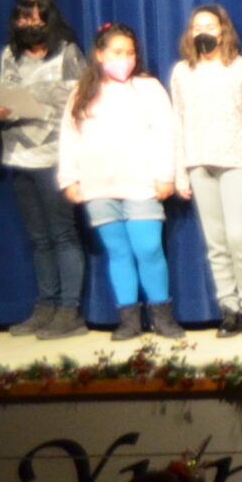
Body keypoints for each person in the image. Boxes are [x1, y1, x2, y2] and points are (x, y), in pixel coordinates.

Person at [57, 23, 182, 342]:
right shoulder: (82, 92)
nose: (124, 58)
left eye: (130, 53)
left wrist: (165, 175)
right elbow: (69, 137)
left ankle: (162, 316)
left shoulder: (148, 87)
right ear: (100, 54)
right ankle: (129, 319)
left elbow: (166, 133)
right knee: (118, 252)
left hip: (141, 184)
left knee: (148, 248)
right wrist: (70, 178)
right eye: (116, 52)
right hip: (98, 186)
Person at [0, 0, 87, 340]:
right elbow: (4, 95)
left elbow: (80, 101)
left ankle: (69, 310)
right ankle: (46, 305)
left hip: (55, 155)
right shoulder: (9, 55)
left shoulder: (67, 53)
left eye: (35, 18)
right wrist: (1, 110)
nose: (29, 25)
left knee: (63, 234)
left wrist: (40, 106)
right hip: (20, 154)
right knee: (39, 238)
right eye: (23, 19)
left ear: (49, 20)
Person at [170, 4, 242, 338]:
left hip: (237, 163)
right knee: (216, 242)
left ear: (223, 31)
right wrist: (181, 172)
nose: (204, 32)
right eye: (197, 27)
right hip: (199, 164)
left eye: (210, 26)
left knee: (238, 237)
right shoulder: (182, 72)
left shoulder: (240, 68)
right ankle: (229, 308)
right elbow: (178, 123)